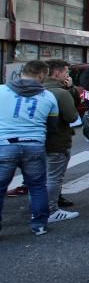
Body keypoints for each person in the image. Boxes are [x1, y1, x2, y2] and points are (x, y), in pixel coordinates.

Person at [0, 60, 59, 236]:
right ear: (41, 75)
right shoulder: (48, 96)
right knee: (37, 186)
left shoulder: (2, 90)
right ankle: (39, 224)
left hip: (6, 144)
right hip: (34, 144)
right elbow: (53, 125)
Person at [42, 60, 81, 224]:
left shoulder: (33, 89)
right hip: (57, 139)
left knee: (40, 177)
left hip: (35, 140)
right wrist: (69, 90)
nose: (68, 75)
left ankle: (39, 207)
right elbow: (72, 116)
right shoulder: (60, 93)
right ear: (57, 73)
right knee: (54, 178)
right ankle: (50, 210)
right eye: (66, 72)